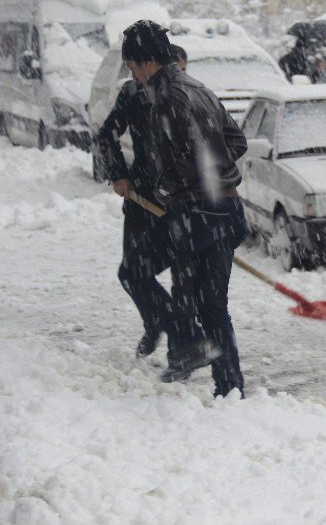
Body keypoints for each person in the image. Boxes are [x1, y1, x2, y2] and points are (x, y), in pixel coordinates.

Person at [116, 20, 249, 398]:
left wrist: (169, 185)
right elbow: (236, 141)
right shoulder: (199, 88)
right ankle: (230, 387)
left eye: (131, 67)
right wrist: (217, 176)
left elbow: (181, 159)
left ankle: (188, 340)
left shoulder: (167, 99)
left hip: (194, 214)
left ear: (145, 62)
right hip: (227, 209)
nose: (133, 76)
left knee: (134, 271)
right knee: (212, 304)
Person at [96, 44, 189, 360]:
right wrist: (118, 174)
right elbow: (106, 134)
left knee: (182, 278)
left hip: (180, 202)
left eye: (182, 70)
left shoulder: (188, 97)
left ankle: (181, 349)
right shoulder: (132, 94)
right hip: (142, 197)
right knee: (134, 274)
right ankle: (156, 323)